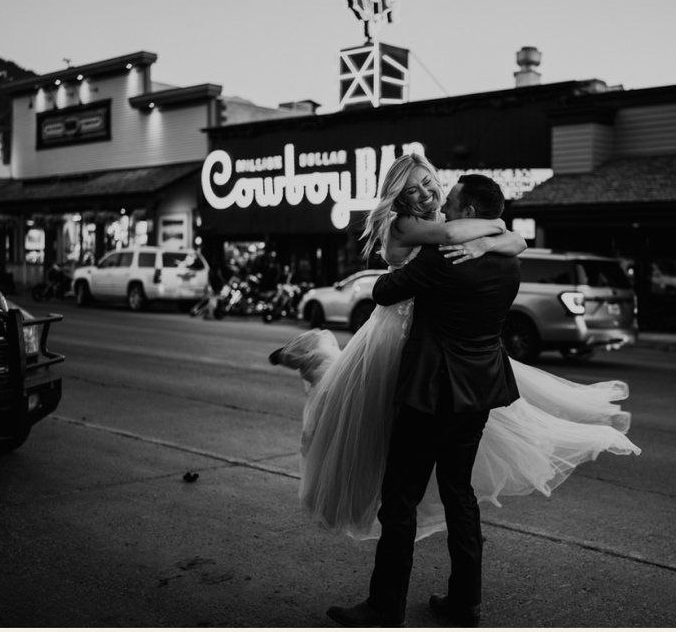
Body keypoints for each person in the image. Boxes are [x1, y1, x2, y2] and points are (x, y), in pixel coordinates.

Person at [268, 155, 640, 623]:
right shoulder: (506, 260)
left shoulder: (442, 258)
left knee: (399, 499)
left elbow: (384, 293)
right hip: (481, 388)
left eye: (449, 194)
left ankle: (385, 608)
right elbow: (507, 237)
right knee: (458, 492)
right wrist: (491, 240)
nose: (439, 198)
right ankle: (466, 601)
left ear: (467, 210)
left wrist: (389, 277)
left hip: (431, 391)